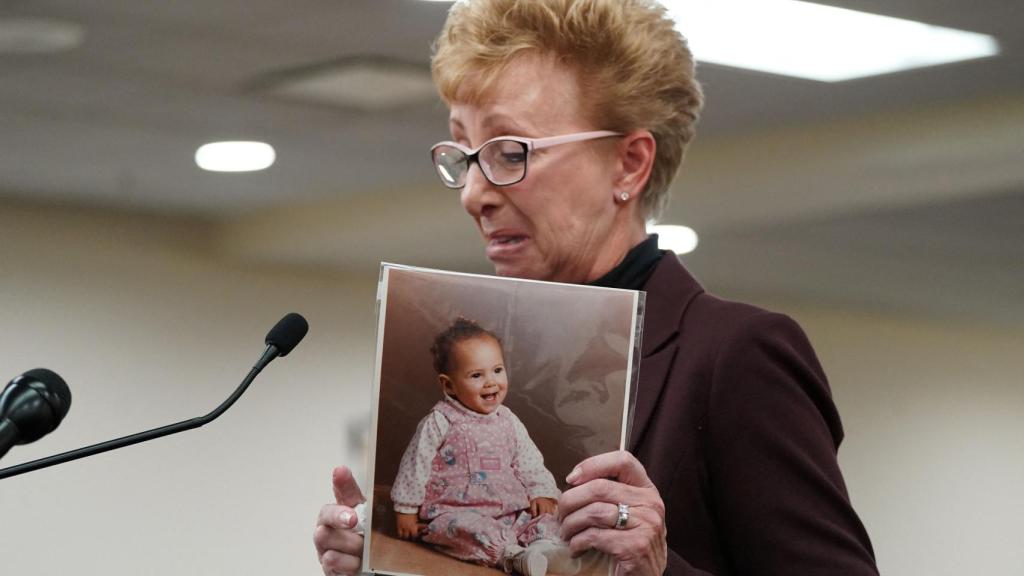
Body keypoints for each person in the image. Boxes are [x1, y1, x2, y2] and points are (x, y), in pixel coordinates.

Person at [314, 1, 880, 575]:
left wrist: (657, 571)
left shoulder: (735, 354)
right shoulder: (490, 348)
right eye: (464, 155)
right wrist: (386, 559)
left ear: (629, 165)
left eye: (510, 152)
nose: (472, 194)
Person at [390, 317, 579, 576]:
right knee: (456, 529)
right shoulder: (441, 420)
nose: (491, 382)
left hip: (512, 508)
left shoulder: (508, 420)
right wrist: (406, 510)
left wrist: (541, 491)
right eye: (477, 375)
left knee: (548, 518)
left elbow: (529, 460)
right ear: (449, 385)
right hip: (459, 511)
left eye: (497, 370)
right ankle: (512, 556)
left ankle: (545, 548)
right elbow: (416, 463)